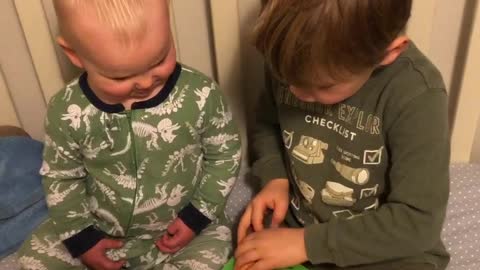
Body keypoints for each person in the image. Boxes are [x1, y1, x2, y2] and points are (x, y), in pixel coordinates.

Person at [18, 1, 241, 269]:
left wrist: (196, 216)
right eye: (120, 77)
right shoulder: (66, 111)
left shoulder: (201, 95)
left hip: (182, 231)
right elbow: (61, 177)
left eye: (159, 60)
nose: (146, 83)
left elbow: (225, 155)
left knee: (219, 248)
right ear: (74, 53)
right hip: (100, 230)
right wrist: (82, 238)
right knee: (34, 258)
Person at [235, 1, 450, 269]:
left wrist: (306, 244)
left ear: (389, 52)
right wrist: (275, 177)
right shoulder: (291, 58)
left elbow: (417, 222)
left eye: (323, 86)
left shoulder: (417, 94)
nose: (295, 91)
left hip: (383, 249)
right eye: (285, 77)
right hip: (299, 226)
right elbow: (268, 124)